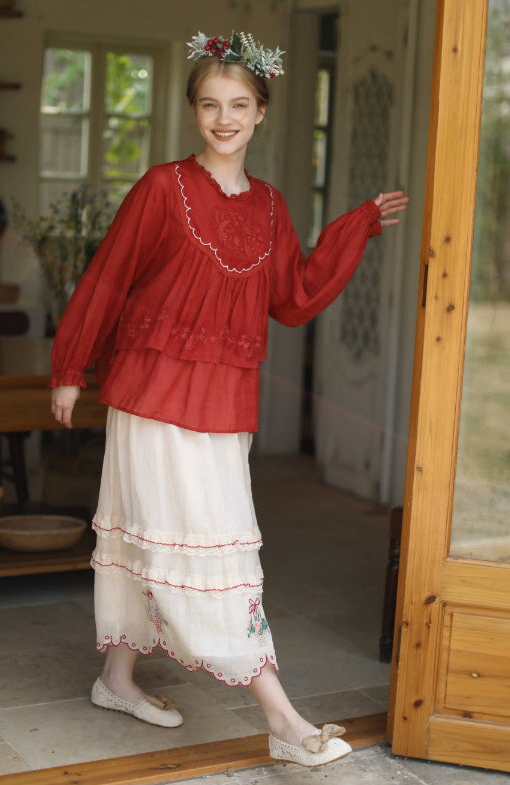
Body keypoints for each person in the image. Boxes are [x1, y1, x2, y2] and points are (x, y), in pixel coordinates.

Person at [50, 31, 408, 768]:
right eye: (210, 104)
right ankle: (279, 716)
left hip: (222, 407)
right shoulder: (161, 188)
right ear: (192, 110)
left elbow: (296, 295)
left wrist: (356, 225)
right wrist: (69, 367)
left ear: (261, 112)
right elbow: (109, 277)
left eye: (238, 104)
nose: (223, 118)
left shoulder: (273, 208)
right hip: (150, 397)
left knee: (196, 544)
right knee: (188, 544)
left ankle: (116, 677)